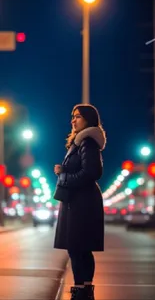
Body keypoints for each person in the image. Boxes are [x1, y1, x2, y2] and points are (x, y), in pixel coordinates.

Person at [53, 104, 106, 300]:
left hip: (82, 203)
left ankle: (81, 291)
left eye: (78, 117)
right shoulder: (80, 143)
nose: (73, 120)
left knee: (77, 247)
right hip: (78, 201)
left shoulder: (87, 142)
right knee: (79, 248)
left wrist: (63, 175)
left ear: (88, 120)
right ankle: (83, 289)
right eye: (73, 116)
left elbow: (92, 172)